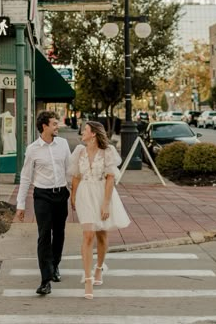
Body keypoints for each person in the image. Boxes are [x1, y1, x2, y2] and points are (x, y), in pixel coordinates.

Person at [69, 120, 130, 299]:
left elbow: (111, 178)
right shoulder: (79, 151)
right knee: (88, 234)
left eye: (85, 130)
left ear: (93, 133)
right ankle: (88, 279)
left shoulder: (107, 152)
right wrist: (73, 196)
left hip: (102, 193)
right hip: (84, 194)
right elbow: (75, 176)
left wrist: (105, 203)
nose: (82, 133)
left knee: (101, 235)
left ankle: (99, 268)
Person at [16, 110, 71, 296]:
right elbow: (25, 177)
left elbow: (70, 170)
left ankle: (55, 264)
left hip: (61, 194)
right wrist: (20, 205)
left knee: (60, 233)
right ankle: (45, 279)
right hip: (42, 196)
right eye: (55, 124)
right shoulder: (32, 149)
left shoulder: (63, 145)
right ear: (44, 126)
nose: (58, 127)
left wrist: (77, 195)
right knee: (44, 235)